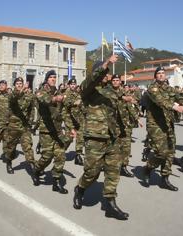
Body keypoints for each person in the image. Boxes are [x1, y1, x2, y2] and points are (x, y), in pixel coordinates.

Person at [73, 55, 129, 220]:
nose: (107, 75)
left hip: (111, 137)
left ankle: (110, 203)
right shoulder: (88, 89)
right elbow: (91, 79)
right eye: (104, 72)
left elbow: (116, 110)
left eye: (108, 72)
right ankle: (80, 189)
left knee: (113, 170)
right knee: (92, 172)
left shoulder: (110, 91)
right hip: (95, 137)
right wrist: (106, 64)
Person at [143, 67, 183, 191]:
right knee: (161, 152)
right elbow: (159, 101)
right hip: (155, 125)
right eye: (158, 73)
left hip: (168, 123)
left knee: (170, 152)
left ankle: (165, 179)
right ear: (155, 76)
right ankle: (148, 168)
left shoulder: (169, 89)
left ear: (165, 76)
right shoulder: (152, 88)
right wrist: (175, 108)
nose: (161, 75)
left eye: (162, 73)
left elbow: (182, 99)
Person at [35, 70, 74, 193]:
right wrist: (56, 98)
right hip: (46, 130)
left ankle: (56, 182)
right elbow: (45, 100)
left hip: (57, 131)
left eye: (54, 77)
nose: (53, 79)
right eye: (50, 77)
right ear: (47, 79)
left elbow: (63, 112)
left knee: (60, 155)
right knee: (46, 156)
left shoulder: (58, 92)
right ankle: (36, 171)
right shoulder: (41, 91)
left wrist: (70, 128)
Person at [4, 77, 38, 185]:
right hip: (13, 126)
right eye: (17, 83)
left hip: (24, 127)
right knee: (11, 147)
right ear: (14, 85)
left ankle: (34, 171)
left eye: (21, 83)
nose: (19, 85)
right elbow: (13, 100)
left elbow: (32, 108)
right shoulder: (11, 95)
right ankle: (9, 162)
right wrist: (21, 91)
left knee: (27, 147)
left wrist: (31, 120)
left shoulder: (29, 95)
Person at [63, 78, 85, 165]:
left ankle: (78, 155)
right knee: (69, 138)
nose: (73, 85)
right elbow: (66, 103)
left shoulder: (78, 94)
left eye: (74, 84)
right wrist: (74, 102)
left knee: (80, 137)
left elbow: (81, 105)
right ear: (69, 85)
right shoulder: (65, 94)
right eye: (71, 84)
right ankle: (60, 151)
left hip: (79, 119)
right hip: (69, 119)